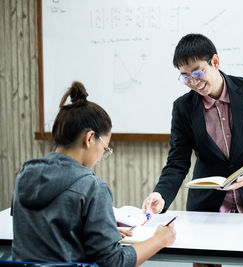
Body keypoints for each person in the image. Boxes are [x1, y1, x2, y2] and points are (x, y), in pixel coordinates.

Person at [11, 81, 176, 267]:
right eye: (105, 148)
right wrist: (160, 239)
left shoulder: (25, 174)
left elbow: (45, 234)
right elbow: (114, 263)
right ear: (90, 138)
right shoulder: (92, 187)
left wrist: (97, 230)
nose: (101, 156)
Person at [143, 33, 243, 216]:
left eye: (197, 73)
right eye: (185, 77)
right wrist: (161, 194)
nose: (193, 82)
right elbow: (178, 161)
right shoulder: (183, 108)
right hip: (207, 207)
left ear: (215, 62)